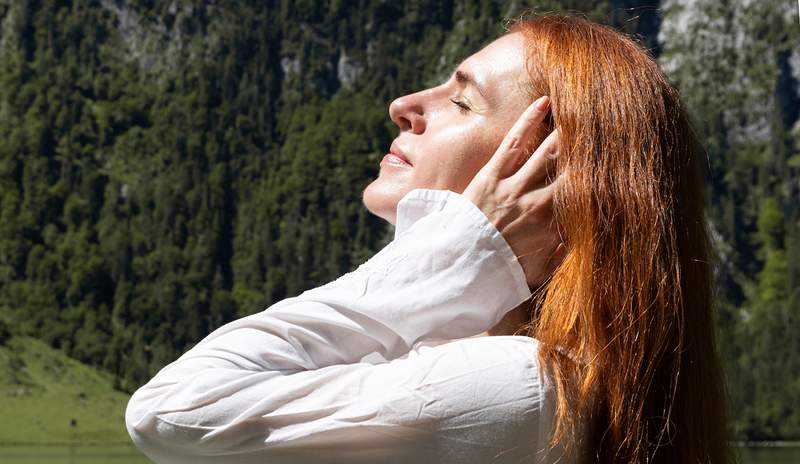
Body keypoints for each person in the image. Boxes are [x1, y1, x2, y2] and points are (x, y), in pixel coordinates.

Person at [125, 14, 732, 464]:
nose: (405, 105)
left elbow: (174, 410)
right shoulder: (539, 381)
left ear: (548, 183)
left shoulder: (525, 389)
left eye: (462, 101)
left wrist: (458, 254)